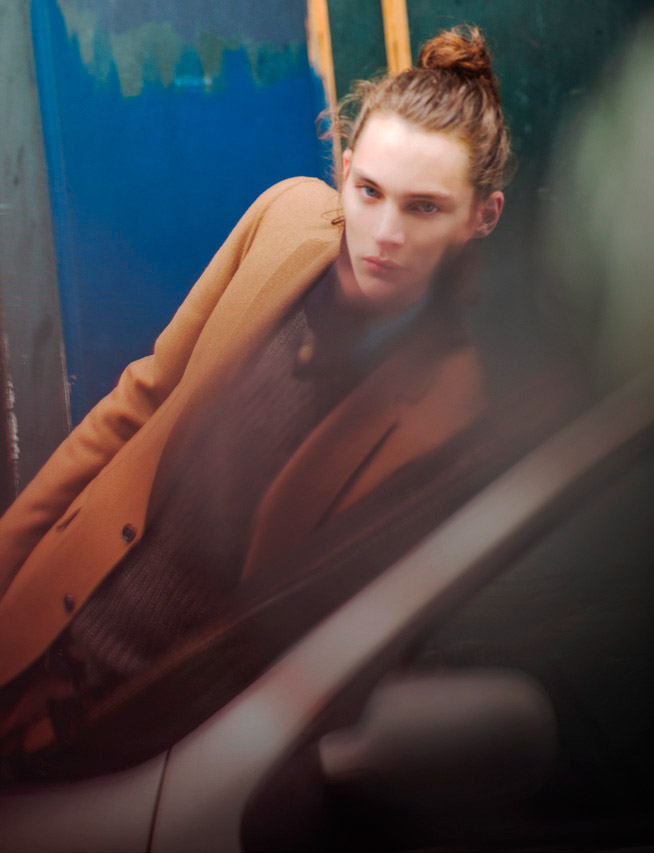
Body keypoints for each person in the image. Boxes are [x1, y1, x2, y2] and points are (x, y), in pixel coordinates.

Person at [0, 26, 511, 764]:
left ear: (482, 217)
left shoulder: (452, 408)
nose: (383, 232)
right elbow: (136, 404)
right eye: (368, 191)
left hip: (154, 744)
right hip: (38, 629)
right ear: (343, 169)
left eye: (423, 208)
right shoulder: (285, 218)